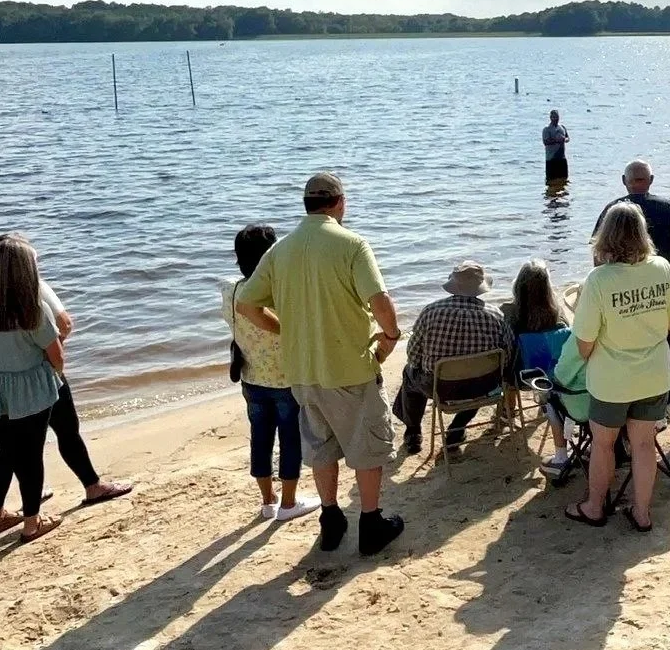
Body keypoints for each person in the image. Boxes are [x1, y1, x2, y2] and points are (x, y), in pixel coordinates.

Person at [235, 173, 405, 557]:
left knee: (321, 447)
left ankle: (330, 519)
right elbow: (379, 301)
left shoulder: (279, 250)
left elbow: (247, 305)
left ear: (306, 204)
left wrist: (285, 331)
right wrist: (391, 335)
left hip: (302, 370)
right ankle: (370, 523)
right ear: (339, 203)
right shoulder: (352, 244)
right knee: (367, 447)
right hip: (350, 369)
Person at [0, 235, 131, 515]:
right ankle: (89, 486)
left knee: (10, 448)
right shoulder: (33, 290)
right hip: (37, 376)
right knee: (64, 432)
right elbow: (65, 324)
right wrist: (51, 355)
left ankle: (3, 510)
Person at [566, 203, 670, 531]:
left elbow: (584, 342)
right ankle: (642, 513)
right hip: (654, 374)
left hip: (612, 379)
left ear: (606, 236)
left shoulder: (599, 280)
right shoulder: (662, 268)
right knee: (644, 444)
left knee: (603, 444)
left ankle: (595, 507)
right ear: (642, 234)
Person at [0, 234, 67, 541]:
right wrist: (53, 373)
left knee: (7, 451)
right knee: (31, 455)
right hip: (29, 386)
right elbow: (57, 356)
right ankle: (32, 522)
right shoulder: (32, 305)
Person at [224, 224, 316, 523]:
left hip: (251, 377)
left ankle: (268, 501)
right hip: (286, 379)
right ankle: (289, 502)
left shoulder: (230, 290)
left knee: (260, 440)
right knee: (291, 440)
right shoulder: (281, 292)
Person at [396, 261, 517, 454]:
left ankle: (413, 433)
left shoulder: (430, 312)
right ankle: (457, 428)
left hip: (438, 387)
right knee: (478, 376)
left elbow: (413, 355)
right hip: (483, 387)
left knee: (409, 373)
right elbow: (508, 356)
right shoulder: (496, 316)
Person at [503, 260, 575, 475]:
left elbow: (505, 349)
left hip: (520, 377)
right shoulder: (557, 313)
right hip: (553, 375)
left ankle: (509, 412)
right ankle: (544, 405)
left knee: (507, 364)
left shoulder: (509, 312)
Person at [596, 161, 670, 288]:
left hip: (622, 284)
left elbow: (599, 251)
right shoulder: (668, 207)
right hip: (659, 281)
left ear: (624, 180)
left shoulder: (613, 210)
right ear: (651, 180)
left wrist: (601, 283)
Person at [542, 111, 570, 180]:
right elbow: (545, 142)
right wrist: (556, 140)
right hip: (551, 159)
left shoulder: (562, 127)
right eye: (553, 117)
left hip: (562, 158)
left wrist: (564, 139)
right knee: (551, 180)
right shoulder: (547, 129)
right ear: (550, 118)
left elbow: (568, 138)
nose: (555, 119)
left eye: (557, 117)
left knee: (564, 179)